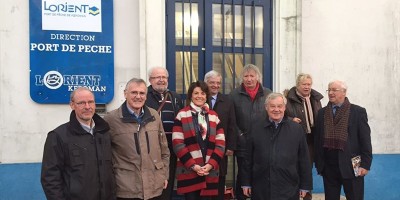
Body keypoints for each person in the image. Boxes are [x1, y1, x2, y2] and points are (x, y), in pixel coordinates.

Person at [41, 87, 116, 200]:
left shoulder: (104, 132)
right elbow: (50, 179)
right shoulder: (58, 136)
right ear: (72, 105)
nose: (87, 107)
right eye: (81, 103)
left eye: (90, 102)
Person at [104, 78, 170, 200]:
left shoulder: (154, 115)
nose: (138, 97)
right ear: (125, 94)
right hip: (127, 188)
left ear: (146, 96)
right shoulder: (111, 119)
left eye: (142, 93)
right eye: (134, 92)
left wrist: (164, 175)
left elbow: (164, 150)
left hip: (155, 186)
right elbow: (105, 156)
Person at [241, 92, 313, 200]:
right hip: (261, 187)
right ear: (266, 107)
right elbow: (248, 158)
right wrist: (246, 183)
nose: (276, 109)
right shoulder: (256, 128)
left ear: (284, 107)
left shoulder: (296, 129)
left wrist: (305, 185)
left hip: (288, 187)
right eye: (272, 106)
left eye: (279, 106)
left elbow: (304, 159)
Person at [314, 80, 372, 200]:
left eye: (334, 90)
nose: (330, 93)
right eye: (329, 90)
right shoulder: (322, 113)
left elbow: (365, 140)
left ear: (344, 92)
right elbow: (318, 140)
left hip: (352, 167)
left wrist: (365, 165)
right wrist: (320, 165)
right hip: (329, 168)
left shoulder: (358, 112)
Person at [172, 80, 225, 200]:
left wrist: (211, 165)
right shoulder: (182, 115)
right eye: (196, 93)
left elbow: (220, 144)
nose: (199, 96)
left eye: (202, 93)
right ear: (191, 95)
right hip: (189, 171)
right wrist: (193, 166)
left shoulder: (214, 116)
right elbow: (177, 144)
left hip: (209, 171)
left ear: (206, 96)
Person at [229, 64, 272, 200]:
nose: (249, 79)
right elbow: (232, 120)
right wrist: (240, 136)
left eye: (252, 76)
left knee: (260, 174)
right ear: (242, 78)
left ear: (258, 77)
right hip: (242, 143)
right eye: (246, 76)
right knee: (243, 174)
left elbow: (272, 115)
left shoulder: (267, 94)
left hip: (263, 143)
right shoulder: (234, 95)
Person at [145, 66, 183, 200]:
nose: (161, 80)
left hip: (170, 150)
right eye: (157, 77)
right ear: (150, 80)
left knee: (168, 183)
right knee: (151, 185)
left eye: (164, 77)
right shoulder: (144, 96)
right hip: (151, 150)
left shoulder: (175, 97)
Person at [204, 70, 237, 200]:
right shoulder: (200, 98)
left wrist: (231, 146)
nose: (215, 85)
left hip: (221, 148)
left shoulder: (227, 101)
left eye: (218, 83)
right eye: (212, 82)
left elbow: (232, 124)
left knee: (219, 179)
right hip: (203, 149)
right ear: (206, 83)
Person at [285, 73, 323, 164]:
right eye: (304, 84)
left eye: (309, 84)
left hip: (313, 137)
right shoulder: (288, 99)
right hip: (296, 137)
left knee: (309, 165)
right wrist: (291, 120)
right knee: (297, 164)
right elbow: (281, 116)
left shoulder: (316, 98)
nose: (307, 87)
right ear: (297, 85)